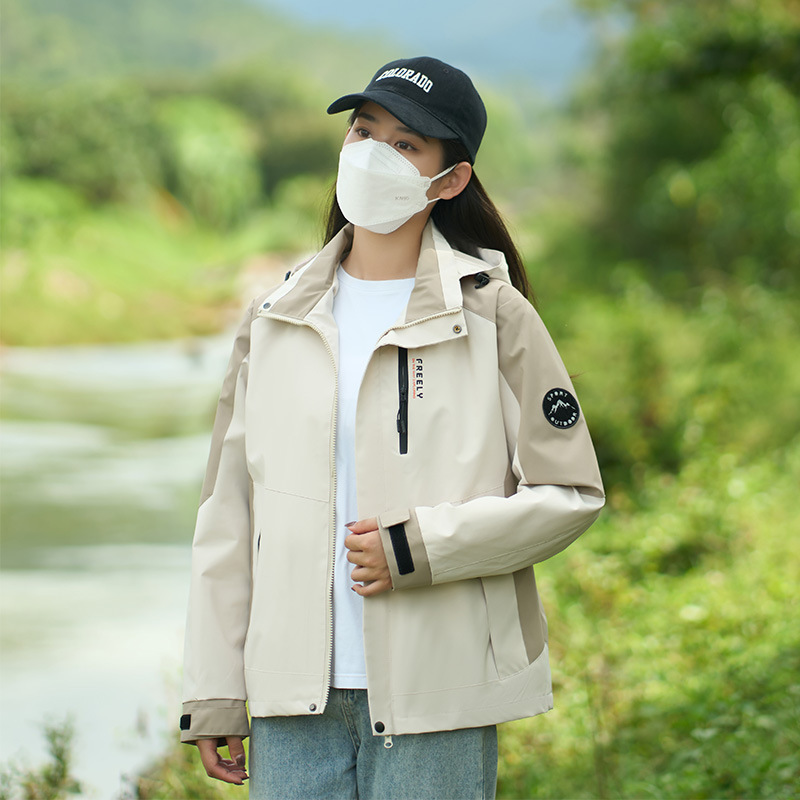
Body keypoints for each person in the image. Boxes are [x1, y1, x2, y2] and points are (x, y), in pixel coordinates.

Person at [180, 56, 605, 800]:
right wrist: (214, 687)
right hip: (292, 703)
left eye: (406, 144)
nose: (373, 154)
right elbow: (229, 513)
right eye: (363, 130)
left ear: (451, 180)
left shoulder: (493, 313)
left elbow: (571, 494)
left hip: (439, 696)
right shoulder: (276, 318)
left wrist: (419, 548)